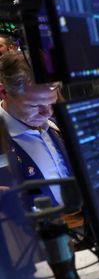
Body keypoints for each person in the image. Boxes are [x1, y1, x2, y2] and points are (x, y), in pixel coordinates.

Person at [0, 51, 70, 207]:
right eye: (34, 105)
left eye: (52, 103)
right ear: (4, 92)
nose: (47, 113)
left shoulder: (55, 124)